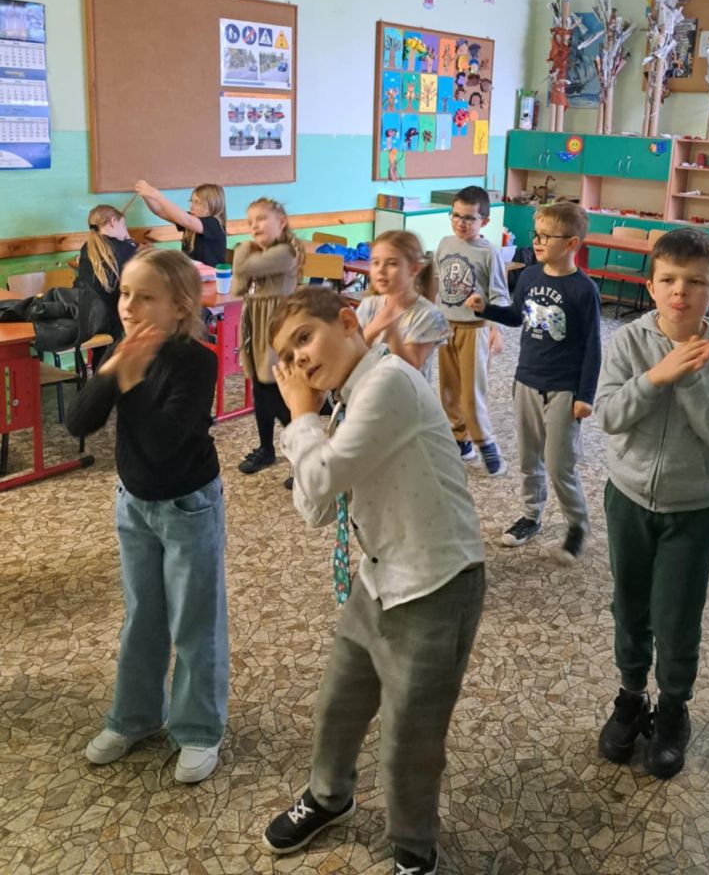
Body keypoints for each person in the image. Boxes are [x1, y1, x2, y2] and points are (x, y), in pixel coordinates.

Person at [261, 287, 484, 875]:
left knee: (410, 736)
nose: (299, 360)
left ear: (346, 322)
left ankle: (414, 847)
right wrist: (313, 423)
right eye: (287, 355)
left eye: (304, 338)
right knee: (339, 703)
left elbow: (320, 479)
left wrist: (300, 418)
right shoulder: (347, 400)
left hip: (437, 581)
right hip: (380, 575)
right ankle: (329, 796)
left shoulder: (387, 383)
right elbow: (315, 506)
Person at [65, 249, 227, 783]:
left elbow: (162, 444)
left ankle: (199, 729)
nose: (128, 306)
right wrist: (113, 371)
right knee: (142, 617)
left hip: (188, 505)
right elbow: (78, 423)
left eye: (145, 297)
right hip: (134, 505)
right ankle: (134, 717)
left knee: (194, 621)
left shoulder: (197, 361)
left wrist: (130, 382)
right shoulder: (124, 348)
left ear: (180, 307)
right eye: (125, 294)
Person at [595, 229, 709, 779]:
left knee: (677, 616)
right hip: (628, 497)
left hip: (693, 509)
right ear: (651, 286)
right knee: (629, 604)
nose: (680, 291)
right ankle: (630, 694)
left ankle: (673, 709)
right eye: (668, 280)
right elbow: (608, 415)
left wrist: (686, 380)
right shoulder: (628, 342)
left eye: (695, 282)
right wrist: (656, 376)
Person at [466, 202, 600, 564]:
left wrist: (586, 395)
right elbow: (516, 316)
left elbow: (593, 347)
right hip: (526, 379)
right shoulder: (529, 276)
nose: (536, 242)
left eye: (546, 236)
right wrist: (485, 309)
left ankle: (576, 524)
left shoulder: (584, 290)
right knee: (529, 458)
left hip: (565, 388)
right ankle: (531, 515)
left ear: (571, 244)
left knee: (559, 463)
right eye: (536, 234)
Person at [435, 185, 510, 475]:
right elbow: (439, 285)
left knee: (471, 392)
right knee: (448, 390)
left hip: (475, 329)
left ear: (484, 221)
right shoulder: (444, 244)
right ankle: (461, 440)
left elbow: (500, 296)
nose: (461, 223)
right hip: (446, 328)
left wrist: (496, 329)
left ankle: (486, 443)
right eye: (456, 215)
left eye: (469, 218)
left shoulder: (488, 253)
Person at [232, 197, 302, 474]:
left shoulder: (285, 252)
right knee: (260, 390)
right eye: (250, 222)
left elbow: (241, 268)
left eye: (261, 219)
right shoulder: (259, 254)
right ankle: (266, 449)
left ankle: (304, 455)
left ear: (281, 222)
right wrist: (248, 256)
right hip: (255, 326)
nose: (254, 226)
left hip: (276, 328)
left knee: (275, 391)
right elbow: (238, 287)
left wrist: (242, 248)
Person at [356, 230, 450, 384]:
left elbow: (410, 367)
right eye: (375, 262)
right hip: (368, 391)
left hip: (406, 395)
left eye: (392, 263)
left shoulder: (429, 314)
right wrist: (374, 328)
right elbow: (353, 354)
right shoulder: (368, 305)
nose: (381, 270)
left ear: (414, 269)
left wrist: (391, 330)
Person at [77, 204, 139, 340]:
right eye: (124, 226)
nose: (125, 231)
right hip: (109, 321)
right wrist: (129, 240)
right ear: (113, 221)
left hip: (83, 316)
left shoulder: (87, 247)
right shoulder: (124, 248)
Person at [134, 180, 227, 267]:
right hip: (192, 273)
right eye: (192, 201)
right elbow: (159, 210)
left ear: (211, 204)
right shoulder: (191, 219)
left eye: (197, 202)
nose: (192, 206)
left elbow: (186, 220)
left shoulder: (214, 223)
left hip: (213, 275)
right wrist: (146, 196)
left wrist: (157, 196)